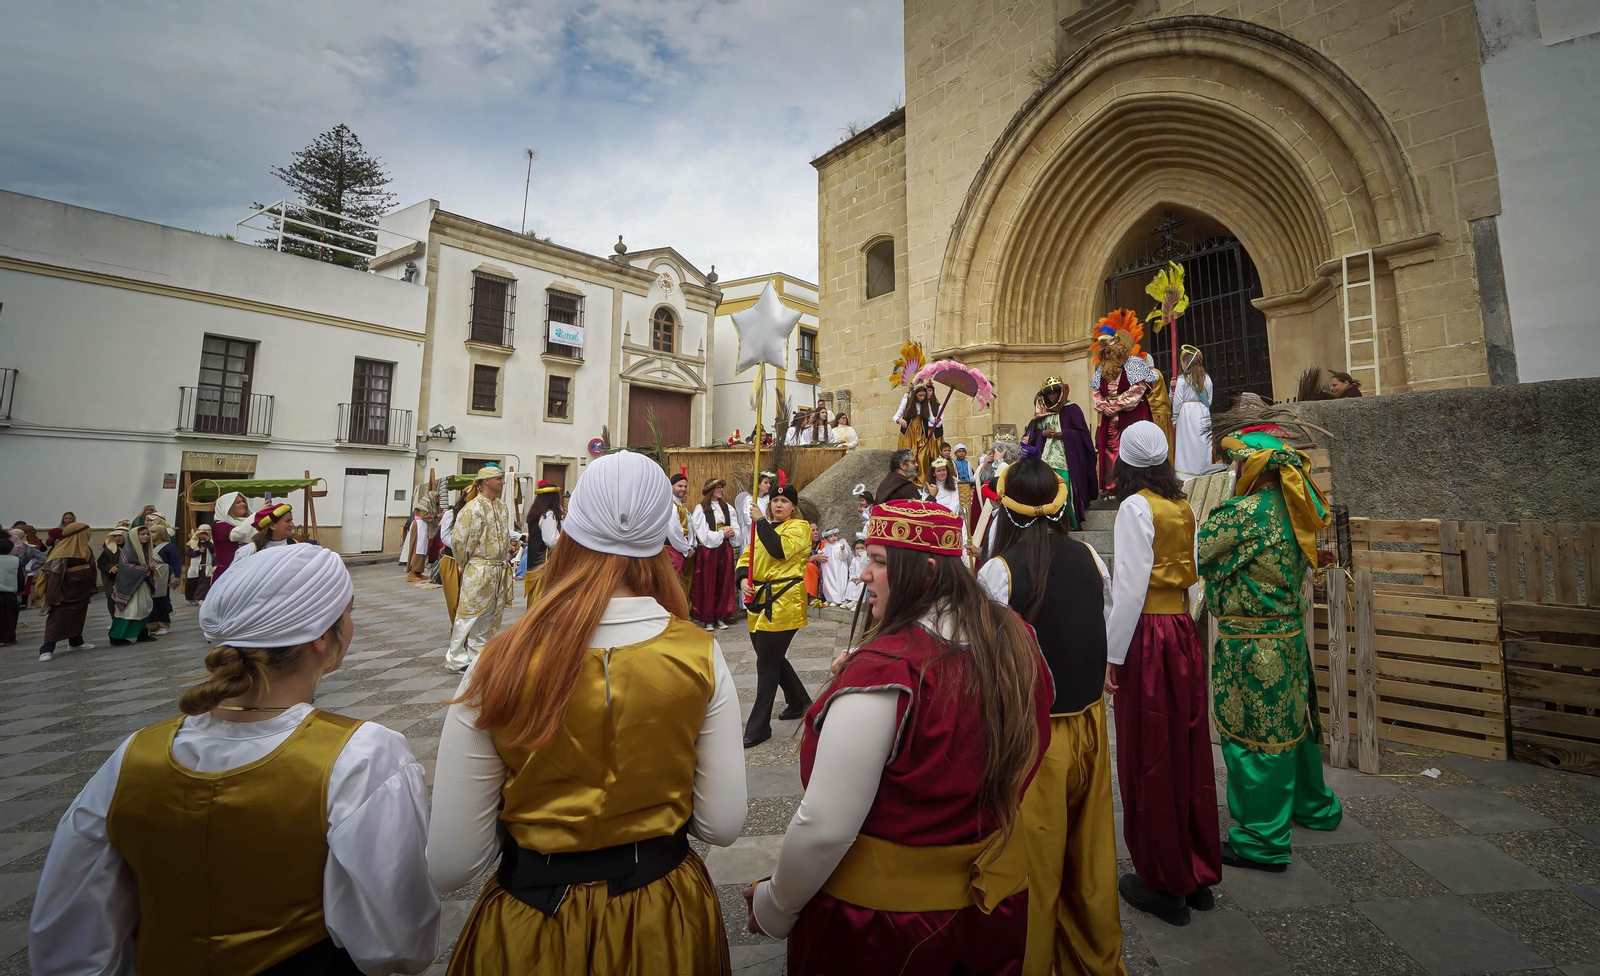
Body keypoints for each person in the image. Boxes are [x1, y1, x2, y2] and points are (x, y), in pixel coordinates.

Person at [29, 544, 440, 975]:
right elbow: (397, 941)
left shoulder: (132, 755)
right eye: (349, 611)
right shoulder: (365, 755)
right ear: (322, 635)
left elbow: (69, 935)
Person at [429, 450, 746, 975]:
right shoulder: (699, 653)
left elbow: (451, 863)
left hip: (531, 924)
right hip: (663, 917)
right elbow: (722, 824)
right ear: (658, 539)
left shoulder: (498, 660)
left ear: (574, 531)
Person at [746, 499, 1052, 974]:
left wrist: (774, 905)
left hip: (886, 928)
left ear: (927, 573)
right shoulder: (1016, 638)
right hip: (994, 907)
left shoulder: (889, 672)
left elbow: (825, 825)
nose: (862, 574)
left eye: (880, 561)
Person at [977, 458, 1124, 976]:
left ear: (1006, 510)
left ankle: (1033, 963)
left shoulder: (999, 571)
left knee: (1033, 865)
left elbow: (983, 660)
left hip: (1033, 738)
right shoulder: (1090, 556)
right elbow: (1101, 628)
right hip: (1090, 725)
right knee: (1090, 855)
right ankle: (1093, 958)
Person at [1199, 409, 1342, 871]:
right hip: (1287, 634)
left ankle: (1262, 839)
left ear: (1252, 467)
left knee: (1255, 737)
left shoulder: (1244, 513)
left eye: (1237, 463)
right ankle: (1312, 806)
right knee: (1292, 725)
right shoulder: (1294, 507)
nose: (1233, 470)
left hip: (1251, 642)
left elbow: (1201, 550)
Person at [1103, 421, 1220, 926]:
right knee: (1187, 747)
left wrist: (1112, 655)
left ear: (1126, 462)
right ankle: (1196, 873)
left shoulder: (1134, 507)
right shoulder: (1182, 506)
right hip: (1179, 630)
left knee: (1148, 751)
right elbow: (1191, 579)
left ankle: (1162, 880)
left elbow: (1129, 587)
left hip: (1148, 635)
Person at [737, 485, 815, 748]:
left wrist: (760, 521)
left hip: (784, 600)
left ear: (793, 506)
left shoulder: (799, 528)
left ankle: (759, 727)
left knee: (767, 663)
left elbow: (778, 550)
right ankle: (799, 701)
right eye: (774, 501)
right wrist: (742, 579)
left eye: (784, 501)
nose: (778, 505)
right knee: (770, 656)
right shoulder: (762, 527)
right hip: (759, 600)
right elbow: (747, 556)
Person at [441, 465, 515, 673]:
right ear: (486, 482)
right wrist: (467, 564)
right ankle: (455, 658)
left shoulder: (501, 507)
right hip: (479, 566)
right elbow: (460, 541)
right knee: (468, 614)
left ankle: (479, 655)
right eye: (498, 478)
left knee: (489, 614)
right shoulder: (472, 508)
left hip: (497, 569)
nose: (502, 482)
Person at [1090, 311, 1157, 493]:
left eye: (1110, 350)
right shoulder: (1101, 368)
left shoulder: (1134, 363)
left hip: (1132, 415)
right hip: (1110, 417)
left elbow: (1138, 389)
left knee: (1135, 447)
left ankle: (1136, 483)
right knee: (1111, 449)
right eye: (1104, 351)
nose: (1107, 353)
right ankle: (1113, 484)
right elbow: (1096, 392)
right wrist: (1104, 407)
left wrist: (1116, 405)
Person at [1023, 376, 1099, 528]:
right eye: (1049, 394)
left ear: (1061, 393)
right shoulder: (1041, 414)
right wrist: (1043, 434)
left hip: (1066, 457)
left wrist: (1066, 434)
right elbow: (1031, 435)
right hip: (1045, 457)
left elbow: (1083, 434)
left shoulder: (1073, 409)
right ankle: (1048, 522)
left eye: (1055, 393)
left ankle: (1068, 521)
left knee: (1065, 487)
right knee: (1046, 487)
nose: (1052, 396)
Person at [690, 478, 743, 632]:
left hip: (724, 549)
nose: (720, 490)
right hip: (708, 551)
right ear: (710, 490)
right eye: (717, 487)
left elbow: (736, 527)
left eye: (721, 487)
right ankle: (707, 618)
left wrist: (732, 533)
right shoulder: (700, 509)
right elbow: (703, 534)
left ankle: (720, 616)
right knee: (708, 583)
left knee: (724, 582)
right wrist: (721, 533)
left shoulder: (728, 508)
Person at [38, 522, 97, 662]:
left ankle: (76, 642)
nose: (89, 534)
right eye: (87, 532)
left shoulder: (86, 549)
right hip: (64, 593)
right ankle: (47, 648)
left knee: (79, 616)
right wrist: (53, 595)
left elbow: (93, 569)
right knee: (57, 619)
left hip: (81, 591)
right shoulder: (62, 551)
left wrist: (91, 587)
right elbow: (54, 575)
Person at [1173, 345, 1223, 480]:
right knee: (1202, 442)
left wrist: (1175, 418)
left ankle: (1185, 474)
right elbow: (1210, 399)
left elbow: (1177, 401)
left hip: (1186, 414)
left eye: (1182, 361)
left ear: (1186, 361)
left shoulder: (1182, 380)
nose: (1181, 364)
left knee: (1187, 443)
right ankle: (1203, 471)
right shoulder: (1207, 378)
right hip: (1202, 412)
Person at [109, 522, 158, 647]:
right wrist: (146, 568)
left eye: (147, 534)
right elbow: (127, 567)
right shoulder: (129, 550)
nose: (146, 536)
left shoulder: (144, 549)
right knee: (131, 610)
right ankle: (116, 636)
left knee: (143, 608)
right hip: (132, 586)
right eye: (142, 534)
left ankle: (142, 634)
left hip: (142, 584)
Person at [894, 382, 944, 485]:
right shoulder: (906, 401)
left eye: (924, 396)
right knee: (910, 457)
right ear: (915, 395)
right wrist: (900, 420)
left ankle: (922, 483)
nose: (922, 398)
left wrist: (936, 420)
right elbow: (895, 416)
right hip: (909, 434)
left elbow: (931, 419)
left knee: (923, 457)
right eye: (920, 395)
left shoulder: (926, 404)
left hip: (922, 433)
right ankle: (908, 482)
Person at [522, 480, 564, 606]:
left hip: (534, 561)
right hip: (544, 563)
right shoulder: (549, 515)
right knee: (542, 597)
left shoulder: (536, 514)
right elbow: (551, 540)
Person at [145, 524, 182, 636]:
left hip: (162, 573)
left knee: (161, 599)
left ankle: (163, 624)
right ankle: (152, 625)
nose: (149, 535)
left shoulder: (169, 547)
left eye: (152, 532)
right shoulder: (146, 547)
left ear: (160, 534)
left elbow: (176, 562)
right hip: (148, 573)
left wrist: (176, 577)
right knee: (150, 599)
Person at [666, 469, 697, 600]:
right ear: (672, 486)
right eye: (679, 486)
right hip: (672, 549)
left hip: (681, 550)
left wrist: (692, 545)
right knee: (673, 583)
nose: (683, 489)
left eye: (685, 486)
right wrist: (685, 548)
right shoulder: (671, 506)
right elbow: (673, 530)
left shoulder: (680, 506)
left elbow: (690, 527)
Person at [209, 491, 252, 582]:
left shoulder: (248, 521)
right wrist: (259, 516)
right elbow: (239, 533)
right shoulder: (220, 525)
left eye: (243, 501)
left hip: (249, 570)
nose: (243, 504)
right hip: (229, 573)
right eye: (238, 502)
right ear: (227, 507)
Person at [234, 503, 299, 562]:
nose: (292, 525)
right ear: (272, 526)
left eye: (291, 521)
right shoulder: (250, 551)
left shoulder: (295, 544)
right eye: (287, 521)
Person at [818, 527, 852, 607]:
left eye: (835, 535)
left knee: (838, 584)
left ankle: (838, 600)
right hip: (829, 570)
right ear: (826, 538)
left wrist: (843, 550)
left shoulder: (839, 546)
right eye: (831, 536)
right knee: (828, 583)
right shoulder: (826, 548)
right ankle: (829, 599)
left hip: (838, 570)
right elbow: (823, 556)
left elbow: (843, 556)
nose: (834, 537)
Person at [97, 527, 125, 618]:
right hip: (112, 579)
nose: (117, 538)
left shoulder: (132, 549)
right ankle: (114, 619)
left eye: (120, 535)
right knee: (112, 599)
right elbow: (101, 563)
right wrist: (110, 567)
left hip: (127, 578)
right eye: (115, 536)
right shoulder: (109, 550)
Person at [404, 500, 434, 582]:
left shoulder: (429, 505)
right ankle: (412, 572)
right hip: (419, 526)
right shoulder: (423, 505)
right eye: (437, 497)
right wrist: (434, 516)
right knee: (418, 548)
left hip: (422, 526)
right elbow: (424, 515)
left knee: (423, 548)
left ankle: (418, 572)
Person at [184, 524, 213, 604]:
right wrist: (198, 552)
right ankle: (190, 598)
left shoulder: (211, 543)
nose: (203, 535)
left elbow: (213, 550)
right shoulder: (193, 542)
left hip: (206, 566)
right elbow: (188, 553)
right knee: (192, 582)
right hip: (195, 566)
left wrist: (207, 542)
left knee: (204, 583)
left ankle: (201, 598)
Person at [0, 539, 18, 647]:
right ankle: (8, 638)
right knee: (9, 618)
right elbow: (19, 576)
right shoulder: (15, 560)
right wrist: (20, 590)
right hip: (9, 593)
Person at [843, 538, 867, 607]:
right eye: (857, 548)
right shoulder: (854, 560)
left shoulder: (867, 560)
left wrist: (862, 579)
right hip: (856, 579)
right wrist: (853, 578)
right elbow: (852, 571)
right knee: (851, 584)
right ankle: (849, 600)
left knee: (862, 585)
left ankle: (858, 602)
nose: (860, 550)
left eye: (862, 548)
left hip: (863, 580)